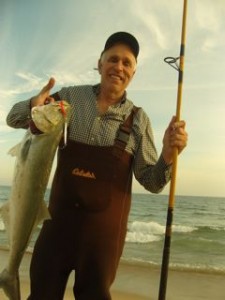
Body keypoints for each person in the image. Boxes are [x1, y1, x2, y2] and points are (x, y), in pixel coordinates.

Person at [6, 32, 188, 300]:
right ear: (100, 63)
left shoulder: (139, 120)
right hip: (55, 228)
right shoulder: (68, 98)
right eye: (113, 59)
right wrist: (34, 106)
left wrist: (168, 156)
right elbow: (13, 118)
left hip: (103, 243)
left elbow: (151, 181)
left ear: (133, 73)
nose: (119, 67)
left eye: (127, 63)